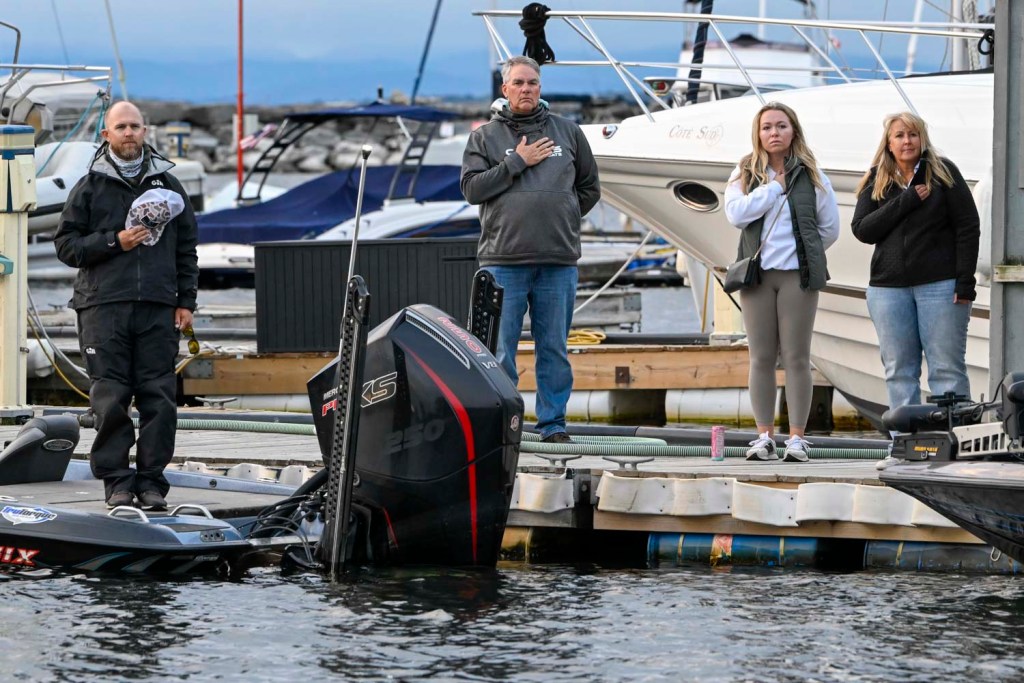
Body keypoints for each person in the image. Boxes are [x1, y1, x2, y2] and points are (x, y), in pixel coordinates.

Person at [55, 101, 199, 510]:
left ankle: (151, 483)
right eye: (121, 127)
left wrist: (186, 302)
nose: (129, 133)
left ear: (145, 131)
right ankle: (117, 483)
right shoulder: (89, 186)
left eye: (135, 126)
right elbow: (66, 246)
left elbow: (187, 248)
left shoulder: (170, 186)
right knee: (110, 398)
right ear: (106, 135)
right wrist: (113, 241)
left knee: (159, 399)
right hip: (102, 308)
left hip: (158, 307)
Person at [461, 55, 601, 443]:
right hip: (503, 260)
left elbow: (589, 188)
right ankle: (505, 428)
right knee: (500, 352)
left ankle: (553, 425)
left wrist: (565, 214)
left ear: (540, 87)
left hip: (558, 260)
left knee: (553, 349)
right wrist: (516, 163)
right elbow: (472, 189)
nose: (526, 89)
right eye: (519, 83)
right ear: (505, 89)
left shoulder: (568, 132)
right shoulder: (484, 137)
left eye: (533, 82)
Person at [724, 102, 840, 462]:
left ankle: (797, 439)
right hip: (757, 277)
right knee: (760, 357)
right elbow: (736, 214)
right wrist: (774, 187)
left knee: (797, 357)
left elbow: (830, 228)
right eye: (767, 127)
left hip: (797, 278)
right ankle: (763, 437)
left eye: (781, 126)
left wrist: (803, 252)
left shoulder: (813, 175)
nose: (774, 132)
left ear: (794, 131)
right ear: (758, 134)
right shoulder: (744, 171)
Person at [852, 112, 979, 422]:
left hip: (941, 285)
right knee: (899, 370)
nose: (907, 141)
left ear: (922, 139)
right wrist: (905, 200)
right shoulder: (877, 178)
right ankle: (903, 439)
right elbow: (863, 230)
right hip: (887, 290)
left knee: (946, 368)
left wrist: (965, 282)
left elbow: (968, 227)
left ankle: (954, 436)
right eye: (899, 135)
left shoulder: (943, 172)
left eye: (913, 134)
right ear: (889, 143)